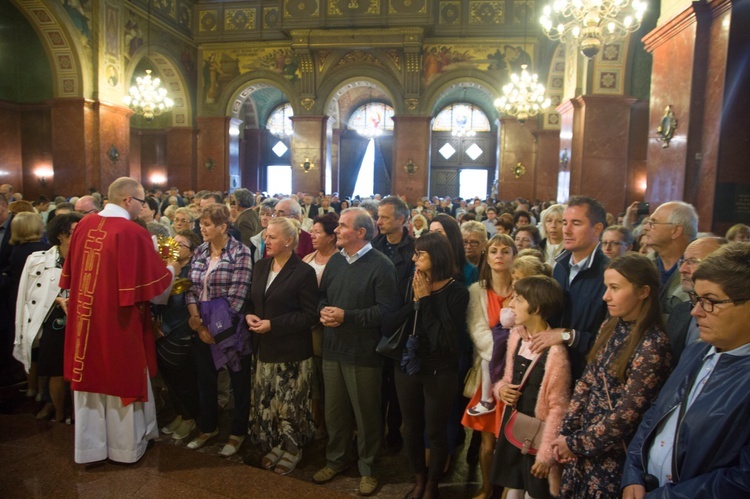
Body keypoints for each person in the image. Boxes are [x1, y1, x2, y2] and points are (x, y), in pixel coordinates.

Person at [61, 177, 179, 464]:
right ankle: (125, 448)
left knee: (90, 377)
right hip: (119, 322)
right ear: (128, 200)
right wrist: (174, 266)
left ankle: (92, 448)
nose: (142, 208)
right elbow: (155, 285)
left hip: (86, 324)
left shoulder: (84, 225)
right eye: (141, 202)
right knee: (121, 376)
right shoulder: (132, 232)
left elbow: (70, 274)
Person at [622, 242, 750, 498]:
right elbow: (657, 413)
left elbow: (742, 480)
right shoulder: (697, 350)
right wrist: (633, 472)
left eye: (710, 301)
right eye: (695, 299)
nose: (695, 312)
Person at [550, 253, 673, 497]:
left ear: (643, 291)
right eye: (606, 287)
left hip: (610, 458)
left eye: (615, 288)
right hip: (583, 445)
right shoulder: (611, 324)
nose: (606, 296)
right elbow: (587, 380)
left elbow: (626, 415)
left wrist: (576, 443)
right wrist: (567, 430)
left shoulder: (652, 344)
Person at [313, 207, 397, 497]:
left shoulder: (381, 265)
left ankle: (369, 469)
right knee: (334, 413)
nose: (336, 230)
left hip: (363, 353)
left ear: (360, 233)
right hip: (333, 348)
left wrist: (347, 316)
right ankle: (336, 460)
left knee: (367, 415)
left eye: (343, 226)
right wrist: (323, 310)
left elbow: (386, 312)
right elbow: (323, 295)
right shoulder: (336, 261)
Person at [397, 232, 470, 499]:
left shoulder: (457, 292)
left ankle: (432, 485)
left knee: (436, 431)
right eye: (415, 253)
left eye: (421, 254)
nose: (414, 259)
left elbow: (445, 341)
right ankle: (418, 478)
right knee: (411, 427)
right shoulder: (413, 282)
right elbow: (396, 321)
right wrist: (415, 301)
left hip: (440, 370)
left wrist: (426, 301)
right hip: (409, 365)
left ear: (436, 257)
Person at [247, 217, 318, 475]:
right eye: (266, 236)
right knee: (269, 401)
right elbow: (252, 301)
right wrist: (249, 316)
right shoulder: (261, 266)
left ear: (289, 241)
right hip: (263, 347)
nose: (267, 241)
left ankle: (293, 448)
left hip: (291, 351)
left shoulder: (303, 272)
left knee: (290, 404)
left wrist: (273, 324)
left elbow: (309, 315)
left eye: (273, 237)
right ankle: (277, 444)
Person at [492, 275, 571, 499]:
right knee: (513, 490)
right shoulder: (516, 336)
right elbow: (506, 378)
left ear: (536, 308)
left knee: (533, 493)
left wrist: (546, 455)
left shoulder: (556, 352)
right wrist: (501, 390)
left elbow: (558, 407)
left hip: (537, 439)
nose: (511, 305)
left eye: (518, 299)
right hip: (514, 426)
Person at [185, 203, 252, 457]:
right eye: (201, 223)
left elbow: (237, 297)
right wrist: (197, 321)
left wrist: (215, 328)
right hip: (201, 323)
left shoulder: (240, 252)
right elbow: (191, 287)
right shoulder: (200, 251)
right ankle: (208, 427)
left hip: (229, 328)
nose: (202, 228)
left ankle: (237, 432)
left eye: (207, 224)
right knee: (206, 381)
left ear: (223, 227)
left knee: (239, 381)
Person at [13, 212, 82, 422]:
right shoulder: (39, 261)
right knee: (56, 371)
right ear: (61, 235)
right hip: (54, 320)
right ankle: (59, 413)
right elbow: (31, 294)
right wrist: (58, 300)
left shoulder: (87, 259)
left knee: (78, 373)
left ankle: (78, 417)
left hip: (80, 320)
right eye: (74, 232)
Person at [532, 196, 609, 380]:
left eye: (576, 223)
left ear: (597, 229)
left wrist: (569, 336)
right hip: (555, 368)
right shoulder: (561, 265)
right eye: (564, 222)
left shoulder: (608, 274)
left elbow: (611, 340)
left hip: (585, 373)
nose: (565, 229)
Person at [464, 234, 517, 499]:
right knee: (487, 442)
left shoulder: (523, 289)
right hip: (489, 373)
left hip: (519, 374)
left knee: (514, 440)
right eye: (494, 250)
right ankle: (486, 487)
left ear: (513, 256)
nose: (499, 255)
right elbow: (478, 331)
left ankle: (508, 490)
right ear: (487, 256)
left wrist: (515, 360)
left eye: (505, 251)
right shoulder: (477, 291)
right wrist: (504, 357)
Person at [372, 196, 415, 452]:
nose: (379, 222)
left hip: (401, 326)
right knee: (376, 384)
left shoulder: (414, 250)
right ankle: (375, 432)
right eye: (378, 217)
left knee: (397, 386)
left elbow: (412, 293)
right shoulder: (374, 245)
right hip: (376, 323)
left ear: (401, 220)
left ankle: (394, 432)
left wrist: (398, 317)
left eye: (385, 217)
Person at [156, 229, 203, 442]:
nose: (175, 247)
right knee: (170, 381)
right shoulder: (168, 269)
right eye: (173, 243)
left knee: (184, 381)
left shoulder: (192, 273)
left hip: (181, 333)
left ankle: (190, 418)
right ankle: (179, 413)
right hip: (162, 332)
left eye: (181, 244)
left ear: (192, 252)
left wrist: (165, 328)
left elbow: (187, 307)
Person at [302, 212, 339, 438]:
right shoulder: (308, 258)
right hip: (307, 324)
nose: (312, 236)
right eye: (312, 231)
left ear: (331, 236)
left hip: (327, 326)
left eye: (317, 232)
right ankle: (315, 420)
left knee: (327, 380)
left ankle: (329, 424)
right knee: (312, 377)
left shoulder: (340, 260)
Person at [664, 236, 725, 363]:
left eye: (693, 262)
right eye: (683, 261)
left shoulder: (728, 316)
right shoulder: (680, 311)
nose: (682, 270)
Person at [642, 201, 698, 319]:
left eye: (653, 223)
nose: (646, 227)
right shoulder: (642, 265)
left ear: (676, 231)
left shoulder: (699, 271)